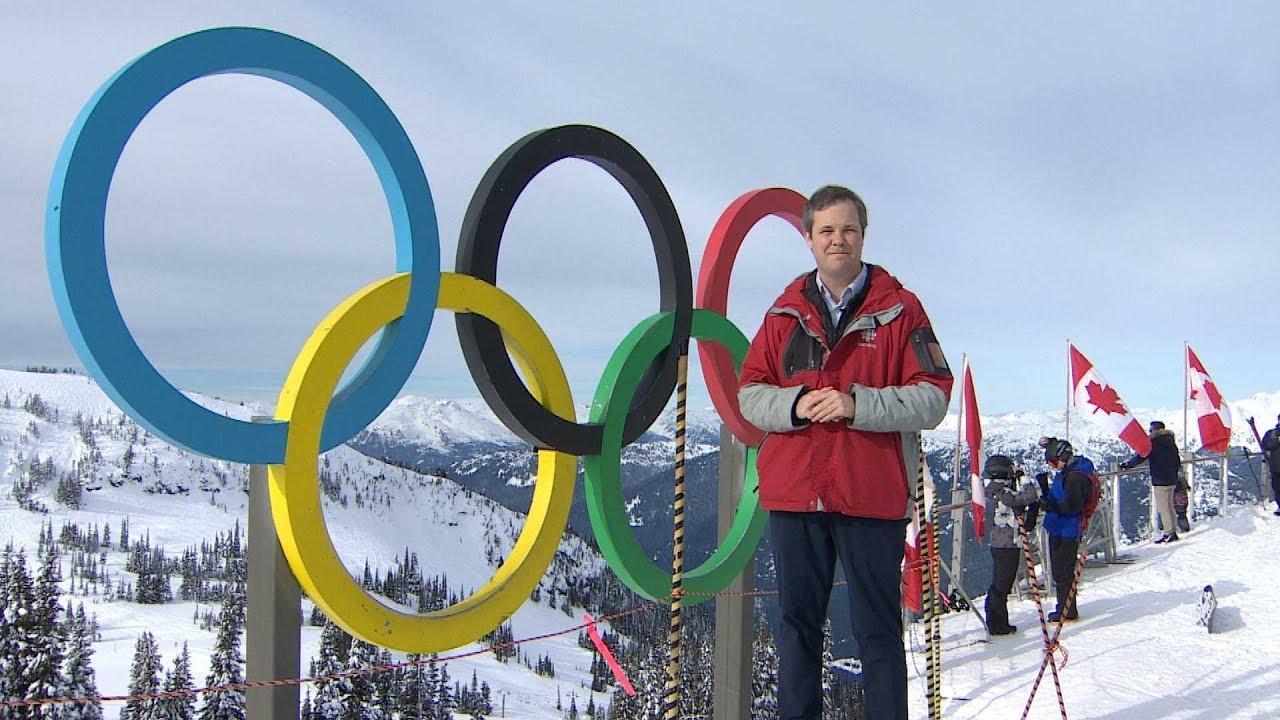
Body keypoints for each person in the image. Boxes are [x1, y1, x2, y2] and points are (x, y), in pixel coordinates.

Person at [738, 185, 952, 720]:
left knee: (878, 629)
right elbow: (750, 395)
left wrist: (857, 405)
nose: (839, 239)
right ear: (808, 238)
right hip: (795, 495)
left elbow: (933, 396)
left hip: (870, 495)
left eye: (848, 229)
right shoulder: (783, 313)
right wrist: (797, 404)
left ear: (863, 235)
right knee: (797, 628)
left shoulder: (901, 309)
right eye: (827, 230)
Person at [1034, 437, 1095, 622]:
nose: (1053, 466)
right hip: (1062, 527)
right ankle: (1065, 608)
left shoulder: (1075, 478)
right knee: (1062, 570)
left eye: (1053, 461)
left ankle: (1066, 611)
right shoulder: (1074, 470)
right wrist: (1050, 441)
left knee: (1062, 571)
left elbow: (1072, 507)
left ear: (1064, 457)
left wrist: (1050, 506)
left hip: (1066, 529)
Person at [981, 454, 1040, 636]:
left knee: (999, 582)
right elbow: (1030, 496)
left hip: (998, 542)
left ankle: (995, 620)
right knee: (1002, 585)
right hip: (1007, 543)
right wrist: (1023, 477)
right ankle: (998, 625)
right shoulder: (1004, 494)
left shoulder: (991, 490)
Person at [1119, 420, 1183, 543]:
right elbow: (1177, 461)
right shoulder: (1171, 442)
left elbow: (1140, 457)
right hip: (1172, 478)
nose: (1149, 432)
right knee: (1170, 506)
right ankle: (1173, 530)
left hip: (1160, 479)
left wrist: (1127, 465)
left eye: (1150, 430)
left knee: (1163, 508)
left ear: (1155, 430)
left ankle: (1168, 533)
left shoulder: (1153, 443)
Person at [1263, 414, 1280, 516]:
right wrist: (1277, 440)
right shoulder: (1271, 433)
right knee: (1277, 488)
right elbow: (1265, 445)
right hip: (1276, 466)